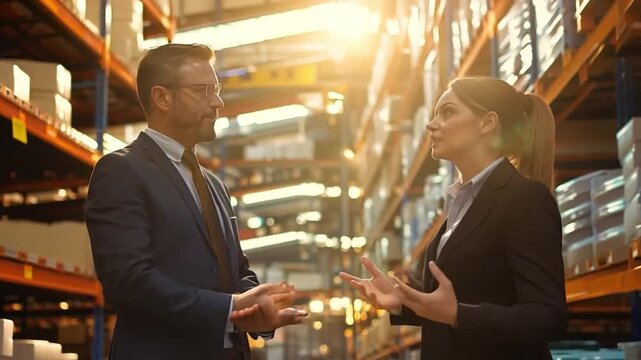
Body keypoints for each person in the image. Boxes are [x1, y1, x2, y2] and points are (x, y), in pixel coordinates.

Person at [85, 43, 307, 360]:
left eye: (215, 89)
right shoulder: (121, 171)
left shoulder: (214, 185)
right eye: (202, 90)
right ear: (162, 97)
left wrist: (257, 303)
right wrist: (230, 308)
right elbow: (129, 284)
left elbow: (235, 269)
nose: (217, 102)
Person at [341, 77, 567, 359]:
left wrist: (459, 314)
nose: (431, 124)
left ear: (487, 123)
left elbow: (549, 318)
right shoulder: (463, 204)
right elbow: (470, 295)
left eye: (447, 113)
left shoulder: (524, 199)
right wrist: (403, 301)